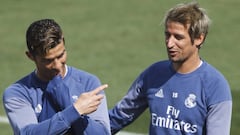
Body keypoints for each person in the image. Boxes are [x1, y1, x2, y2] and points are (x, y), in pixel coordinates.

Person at [109, 2, 232, 135]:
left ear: (198, 38)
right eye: (168, 35)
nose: (169, 43)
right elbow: (116, 118)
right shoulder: (153, 74)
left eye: (178, 37)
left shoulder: (215, 86)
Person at [3, 19, 110, 135]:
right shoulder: (18, 93)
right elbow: (27, 133)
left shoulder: (88, 82)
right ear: (31, 56)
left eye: (61, 55)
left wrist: (69, 106)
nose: (58, 66)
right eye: (48, 61)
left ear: (64, 42)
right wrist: (74, 110)